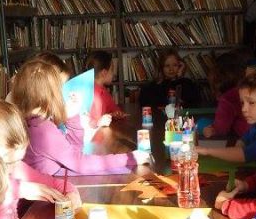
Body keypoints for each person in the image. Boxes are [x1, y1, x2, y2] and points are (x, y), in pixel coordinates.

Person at [8, 56, 150, 176]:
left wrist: (72, 117)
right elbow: (80, 163)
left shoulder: (34, 122)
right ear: (51, 95)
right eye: (61, 89)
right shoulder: (43, 130)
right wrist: (129, 158)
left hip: (55, 182)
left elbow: (75, 151)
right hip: (51, 190)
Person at [196, 71, 256, 171]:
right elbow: (242, 141)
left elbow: (243, 155)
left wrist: (206, 151)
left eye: (251, 103)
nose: (243, 109)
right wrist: (239, 147)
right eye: (242, 103)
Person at [201, 47, 251, 140]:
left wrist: (209, 130)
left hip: (248, 140)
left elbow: (220, 130)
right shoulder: (250, 89)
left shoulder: (228, 98)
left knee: (201, 123)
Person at [137, 47, 202, 110]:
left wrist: (179, 78)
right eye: (167, 66)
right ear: (161, 67)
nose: (171, 69)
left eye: (175, 65)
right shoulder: (151, 87)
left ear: (180, 66)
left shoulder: (187, 83)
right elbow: (146, 105)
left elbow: (195, 103)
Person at [85, 49, 125, 127]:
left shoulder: (103, 90)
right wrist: (98, 122)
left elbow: (113, 107)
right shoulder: (91, 93)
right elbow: (85, 121)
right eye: (112, 70)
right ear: (104, 73)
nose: (114, 74)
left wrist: (116, 113)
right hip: (93, 132)